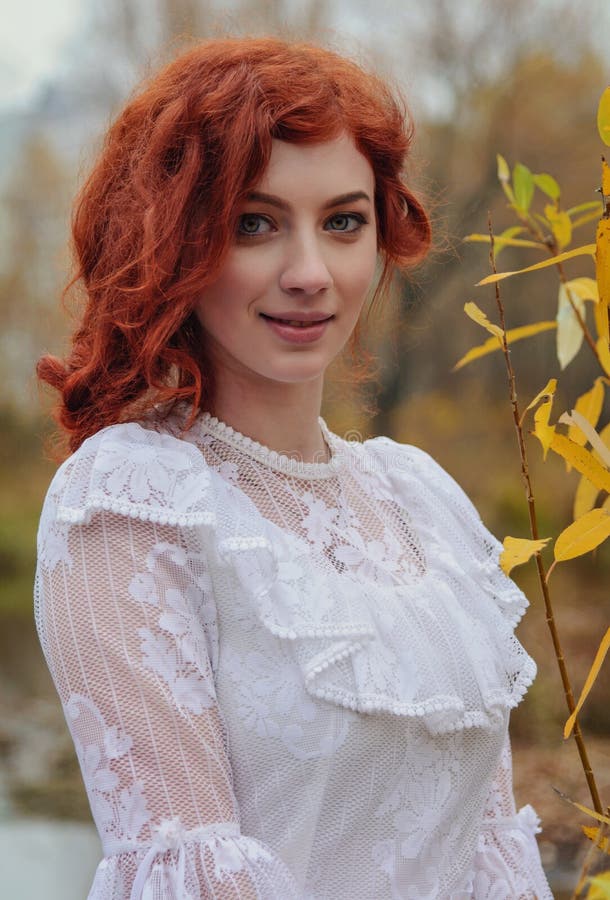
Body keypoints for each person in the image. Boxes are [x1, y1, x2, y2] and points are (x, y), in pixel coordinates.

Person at [34, 36, 552, 899]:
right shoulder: (131, 504)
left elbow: (490, 847)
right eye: (254, 224)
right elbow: (192, 870)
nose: (310, 273)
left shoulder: (420, 498)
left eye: (343, 221)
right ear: (173, 245)